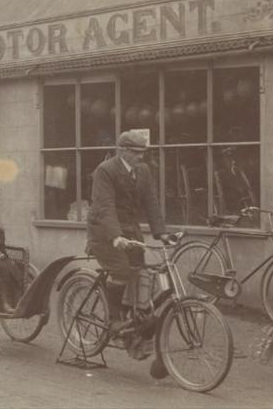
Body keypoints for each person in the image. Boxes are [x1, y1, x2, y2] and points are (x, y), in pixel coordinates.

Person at [86, 130, 176, 369]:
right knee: (122, 271)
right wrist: (115, 236)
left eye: (143, 152)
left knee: (141, 271)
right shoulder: (105, 171)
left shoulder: (143, 171)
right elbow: (105, 207)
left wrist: (161, 233)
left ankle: (130, 324)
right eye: (136, 152)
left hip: (130, 230)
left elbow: (151, 201)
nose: (140, 157)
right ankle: (114, 319)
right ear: (122, 150)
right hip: (104, 232)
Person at [214, 146, 256, 217]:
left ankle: (247, 210)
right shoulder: (221, 172)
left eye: (231, 157)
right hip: (231, 194)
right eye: (227, 157)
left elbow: (244, 181)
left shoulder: (237, 168)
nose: (231, 160)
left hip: (240, 190)